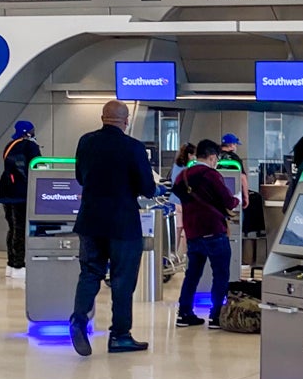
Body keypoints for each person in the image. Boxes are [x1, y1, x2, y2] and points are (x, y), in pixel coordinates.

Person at [69, 100, 158, 356]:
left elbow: (80, 177)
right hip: (122, 223)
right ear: (126, 120)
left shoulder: (85, 142)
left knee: (89, 273)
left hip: (90, 220)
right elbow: (147, 188)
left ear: (102, 117)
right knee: (122, 280)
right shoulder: (133, 147)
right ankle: (120, 335)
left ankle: (78, 320)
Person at [173, 139, 239, 329]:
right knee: (220, 274)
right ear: (212, 157)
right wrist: (235, 201)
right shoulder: (211, 174)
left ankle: (184, 313)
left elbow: (180, 194)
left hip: (193, 231)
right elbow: (227, 200)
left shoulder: (183, 175)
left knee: (192, 274)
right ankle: (216, 316)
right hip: (214, 230)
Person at [0, 120, 41, 278]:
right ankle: (19, 265)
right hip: (21, 194)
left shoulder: (10, 145)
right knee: (21, 228)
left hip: (6, 192)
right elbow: (37, 167)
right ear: (27, 132)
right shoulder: (30, 146)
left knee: (13, 227)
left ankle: (11, 263)